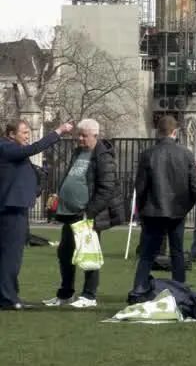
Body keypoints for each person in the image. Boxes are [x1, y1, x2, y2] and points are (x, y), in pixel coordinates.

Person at [43, 119, 121, 309]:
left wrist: (90, 212)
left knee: (89, 253)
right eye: (78, 135)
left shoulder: (103, 156)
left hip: (86, 214)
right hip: (70, 212)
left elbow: (107, 188)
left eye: (83, 135)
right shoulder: (78, 153)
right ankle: (65, 294)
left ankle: (89, 295)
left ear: (95, 135)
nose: (79, 138)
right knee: (65, 253)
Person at [0, 119, 72, 310]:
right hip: (10, 211)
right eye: (23, 132)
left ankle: (10, 296)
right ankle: (8, 299)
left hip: (16, 208)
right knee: (11, 257)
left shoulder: (12, 151)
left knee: (11, 256)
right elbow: (32, 149)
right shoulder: (6, 148)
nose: (27, 136)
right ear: (11, 134)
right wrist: (58, 131)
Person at [131, 115, 196, 298]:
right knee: (177, 252)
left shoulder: (148, 154)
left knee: (147, 253)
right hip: (177, 211)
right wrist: (186, 206)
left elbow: (141, 187)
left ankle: (139, 287)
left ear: (158, 132)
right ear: (175, 132)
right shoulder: (186, 154)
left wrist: (143, 209)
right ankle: (180, 289)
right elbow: (195, 186)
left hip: (153, 210)